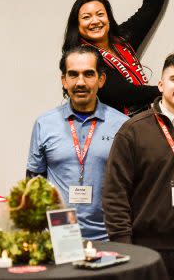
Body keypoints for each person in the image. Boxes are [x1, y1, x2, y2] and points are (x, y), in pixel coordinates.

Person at [103, 51, 174, 280]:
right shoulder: (133, 131)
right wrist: (124, 248)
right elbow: (115, 194)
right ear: (160, 84)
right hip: (144, 250)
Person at [26, 46, 127, 240]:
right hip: (57, 238)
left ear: (101, 79)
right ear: (64, 80)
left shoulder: (122, 125)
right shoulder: (44, 123)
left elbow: (131, 188)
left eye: (89, 74)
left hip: (108, 238)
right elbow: (33, 185)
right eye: (73, 74)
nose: (80, 82)